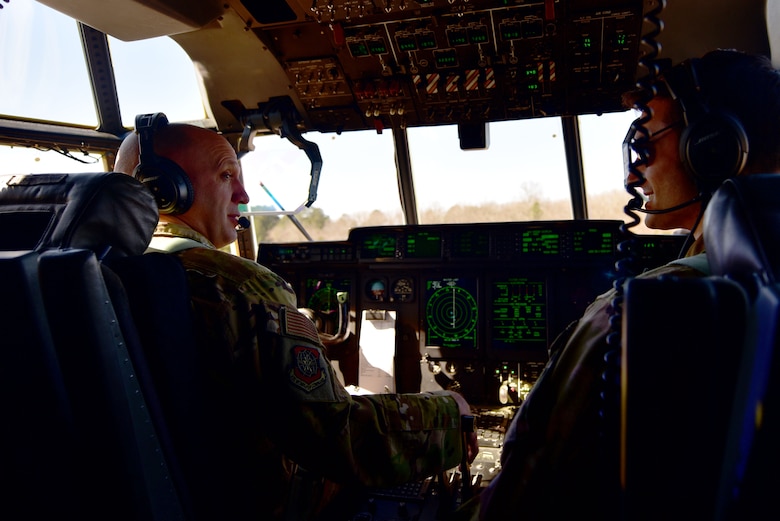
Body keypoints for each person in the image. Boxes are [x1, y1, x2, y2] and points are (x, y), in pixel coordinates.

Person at [114, 118, 479, 520]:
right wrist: (449, 414)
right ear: (165, 190)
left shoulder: (102, 271)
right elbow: (339, 441)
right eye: (226, 175)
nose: (244, 193)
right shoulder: (242, 286)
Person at [469, 49, 780, 520]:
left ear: (713, 146)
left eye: (646, 146)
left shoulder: (629, 314)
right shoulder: (759, 280)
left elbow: (521, 502)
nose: (634, 173)